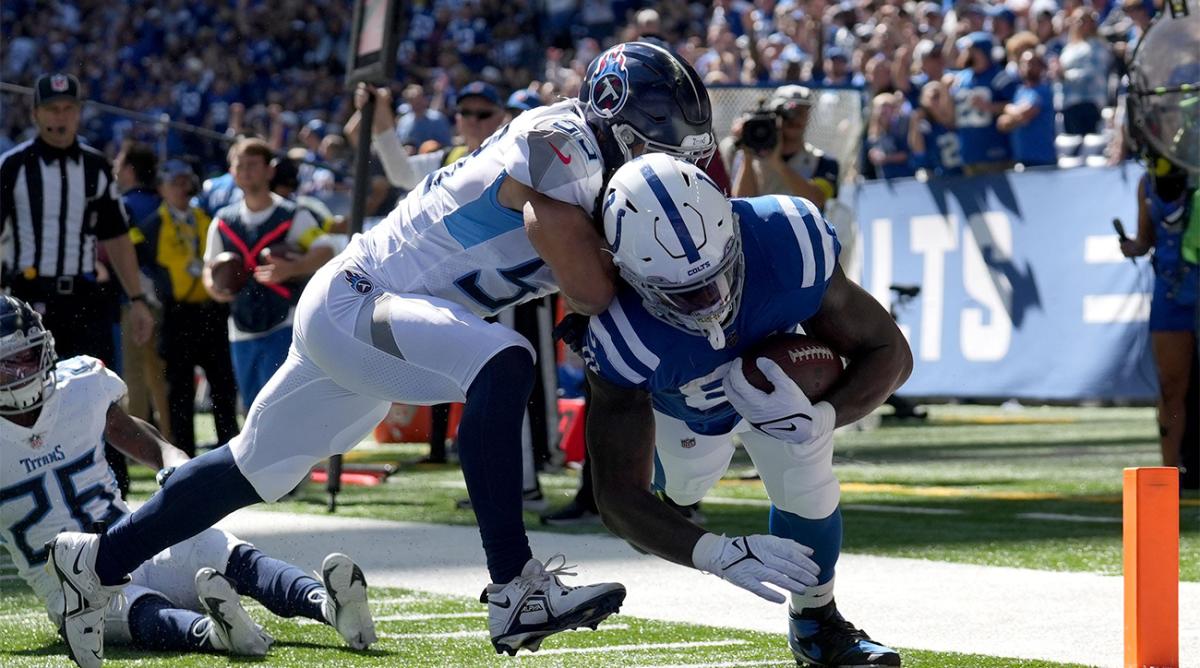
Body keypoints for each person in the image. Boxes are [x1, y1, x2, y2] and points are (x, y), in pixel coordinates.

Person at [46, 41, 716, 664]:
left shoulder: (586, 160)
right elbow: (589, 284)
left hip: (365, 309)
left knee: (248, 469)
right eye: (661, 115)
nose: (671, 137)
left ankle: (95, 564)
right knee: (503, 360)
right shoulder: (562, 142)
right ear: (613, 106)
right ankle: (515, 587)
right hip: (362, 300)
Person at [582, 154, 912, 666]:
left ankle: (816, 623)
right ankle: (680, 498)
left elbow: (890, 351)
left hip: (784, 384)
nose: (708, 301)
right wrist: (717, 552)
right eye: (684, 293)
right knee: (686, 485)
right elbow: (616, 497)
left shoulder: (788, 238)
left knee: (808, 472)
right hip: (689, 409)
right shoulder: (623, 335)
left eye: (714, 277)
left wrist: (822, 417)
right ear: (626, 272)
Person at [0, 297, 376, 667]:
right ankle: (215, 632)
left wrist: (169, 459)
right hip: (68, 585)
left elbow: (129, 432)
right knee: (130, 606)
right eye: (7, 363)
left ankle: (326, 604)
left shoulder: (78, 387)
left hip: (131, 540)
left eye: (28, 356)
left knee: (213, 545)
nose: (22, 372)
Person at [0, 73, 154, 497]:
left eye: (68, 109)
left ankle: (113, 493)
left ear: (79, 113)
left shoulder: (96, 166)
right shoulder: (12, 167)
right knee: (22, 400)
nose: (60, 117)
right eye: (51, 109)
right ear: (35, 113)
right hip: (27, 305)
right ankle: (28, 489)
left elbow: (116, 236)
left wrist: (137, 298)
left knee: (98, 399)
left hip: (85, 300)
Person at [203, 137, 337, 409]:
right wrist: (215, 289)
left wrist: (292, 268)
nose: (246, 171)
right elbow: (209, 268)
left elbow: (326, 250)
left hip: (284, 322)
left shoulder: (292, 214)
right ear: (231, 172)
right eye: (240, 165)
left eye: (253, 164)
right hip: (241, 327)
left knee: (285, 407)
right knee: (253, 410)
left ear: (269, 170)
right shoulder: (223, 221)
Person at [135, 159, 239, 456]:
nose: (182, 188)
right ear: (161, 188)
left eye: (186, 182)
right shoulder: (152, 226)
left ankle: (230, 453)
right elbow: (142, 265)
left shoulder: (208, 219)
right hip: (176, 314)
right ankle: (184, 458)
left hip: (211, 312)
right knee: (178, 392)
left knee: (223, 386)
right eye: (175, 183)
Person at [1120, 158, 1197, 481]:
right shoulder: (1147, 183)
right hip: (1170, 291)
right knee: (1170, 384)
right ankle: (1170, 470)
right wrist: (1133, 246)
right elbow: (1146, 238)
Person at [113, 140, 170, 440]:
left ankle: (136, 443)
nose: (115, 169)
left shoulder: (123, 206)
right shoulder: (165, 203)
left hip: (133, 298)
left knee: (133, 374)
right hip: (167, 297)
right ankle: (171, 438)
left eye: (119, 163)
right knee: (161, 375)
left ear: (131, 170)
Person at [729, 85, 840, 212]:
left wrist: (777, 163)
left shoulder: (824, 162)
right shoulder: (749, 158)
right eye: (786, 113)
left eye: (800, 112)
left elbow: (816, 200)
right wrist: (748, 156)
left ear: (808, 116)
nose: (794, 119)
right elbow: (741, 207)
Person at [951, 32, 1018, 175]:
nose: (964, 54)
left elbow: (1013, 106)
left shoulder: (1000, 77)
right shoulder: (961, 78)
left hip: (995, 151)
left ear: (981, 52)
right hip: (969, 152)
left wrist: (989, 107)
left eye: (969, 50)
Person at [997, 51, 1058, 169]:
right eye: (1023, 64)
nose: (1028, 67)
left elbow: (1026, 113)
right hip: (1022, 159)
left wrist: (1008, 109)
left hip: (1043, 159)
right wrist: (1017, 116)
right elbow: (1002, 124)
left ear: (1042, 67)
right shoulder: (1019, 92)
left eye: (1032, 63)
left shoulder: (1044, 90)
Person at [910, 80, 964, 178]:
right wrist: (915, 122)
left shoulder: (960, 117)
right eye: (935, 97)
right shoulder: (926, 126)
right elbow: (918, 152)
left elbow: (950, 120)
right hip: (940, 175)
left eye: (943, 95)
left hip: (966, 172)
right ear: (923, 101)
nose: (941, 100)